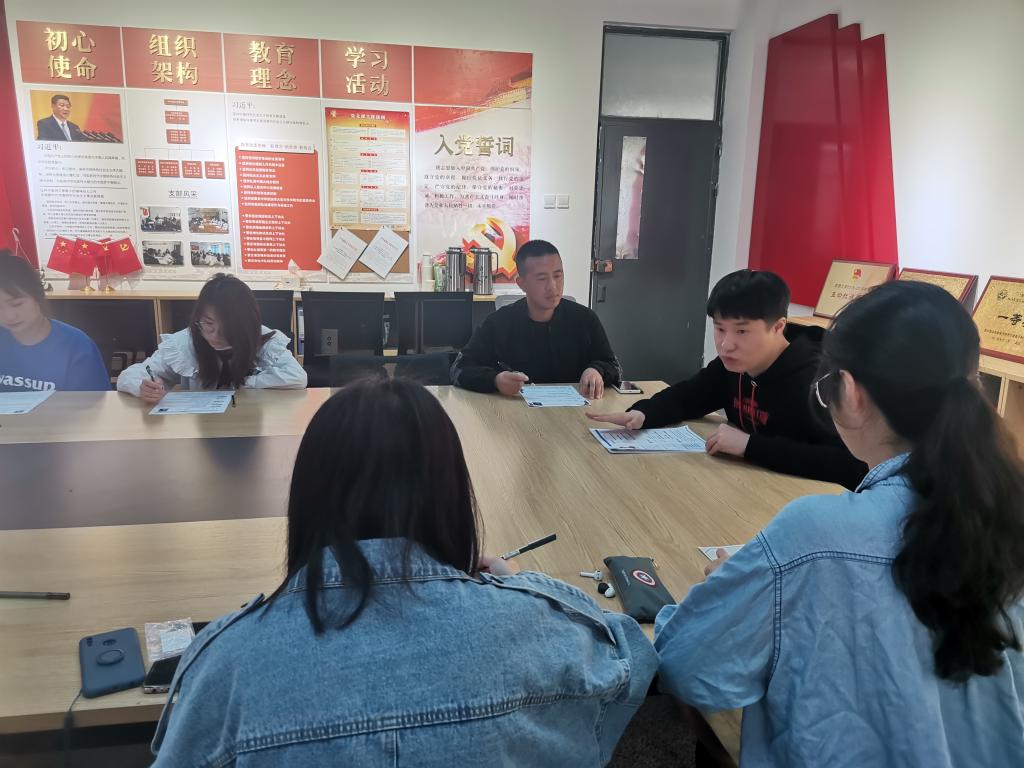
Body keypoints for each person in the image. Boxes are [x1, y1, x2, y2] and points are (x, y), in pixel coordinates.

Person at [150, 378, 658, 766]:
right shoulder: (539, 630)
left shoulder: (228, 668)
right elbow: (633, 655)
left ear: (310, 495)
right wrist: (518, 588)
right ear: (450, 491)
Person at [655, 280, 1024, 767]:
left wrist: (731, 586)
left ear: (847, 390)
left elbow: (687, 665)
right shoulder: (1003, 508)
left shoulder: (814, 533)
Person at [588, 269, 866, 489]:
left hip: (802, 501)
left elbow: (854, 465)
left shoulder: (817, 382)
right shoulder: (733, 366)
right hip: (750, 486)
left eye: (742, 332)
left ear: (778, 327)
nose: (726, 345)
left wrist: (749, 446)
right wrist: (643, 413)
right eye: (720, 329)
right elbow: (689, 396)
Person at [451, 240, 621, 398]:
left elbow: (613, 366)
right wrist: (495, 380)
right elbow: (460, 369)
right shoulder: (499, 323)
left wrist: (596, 370)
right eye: (542, 279)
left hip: (576, 410)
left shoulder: (585, 319)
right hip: (517, 412)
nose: (553, 287)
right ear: (521, 283)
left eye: (558, 276)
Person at [118, 273, 305, 403]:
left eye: (227, 328)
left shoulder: (263, 339)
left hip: (250, 420)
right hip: (201, 426)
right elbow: (129, 376)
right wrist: (143, 387)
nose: (215, 336)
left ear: (246, 324)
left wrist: (246, 383)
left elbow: (297, 377)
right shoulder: (185, 343)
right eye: (208, 323)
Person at [0, 250, 109, 392]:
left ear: (37, 296)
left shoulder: (76, 346)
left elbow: (93, 402)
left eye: (17, 304)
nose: (9, 316)